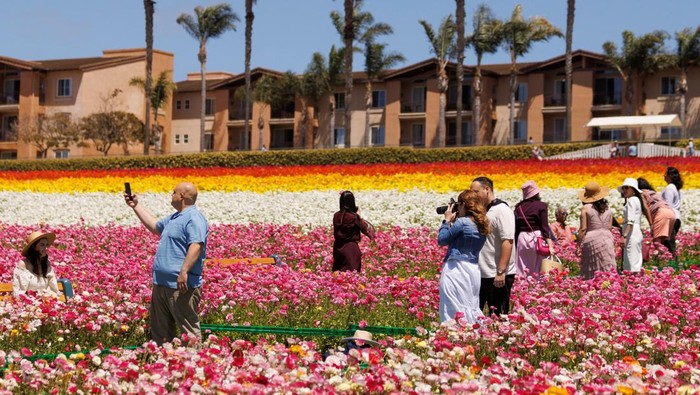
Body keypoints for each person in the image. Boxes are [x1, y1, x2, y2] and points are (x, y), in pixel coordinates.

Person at [126, 182, 208, 345]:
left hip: (180, 285)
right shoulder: (175, 217)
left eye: (173, 192)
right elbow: (155, 226)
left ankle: (194, 365)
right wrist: (135, 206)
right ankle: (164, 366)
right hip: (162, 284)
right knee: (161, 331)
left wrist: (184, 271)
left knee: (188, 330)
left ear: (182, 196)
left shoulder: (194, 218)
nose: (172, 195)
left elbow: (197, 244)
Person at [437, 190, 490, 323]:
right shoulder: (482, 223)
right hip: (473, 269)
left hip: (456, 268)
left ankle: (453, 332)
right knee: (470, 303)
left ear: (464, 205)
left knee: (452, 303)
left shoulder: (462, 223)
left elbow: (442, 240)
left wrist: (446, 221)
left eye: (459, 204)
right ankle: (472, 331)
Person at [470, 177, 515, 317]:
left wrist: (501, 272)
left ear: (487, 189)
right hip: (482, 272)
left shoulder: (501, 210)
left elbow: (507, 241)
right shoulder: (484, 211)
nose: (473, 196)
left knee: (498, 315)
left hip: (496, 275)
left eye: (476, 192)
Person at [514, 181, 555, 277]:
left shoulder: (518, 207)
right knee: (538, 267)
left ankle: (522, 287)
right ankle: (536, 288)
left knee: (522, 266)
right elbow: (545, 227)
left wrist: (516, 245)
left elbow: (516, 229)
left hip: (522, 238)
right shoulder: (541, 206)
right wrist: (550, 246)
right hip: (536, 238)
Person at [577, 181, 617, 279]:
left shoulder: (586, 208)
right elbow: (610, 227)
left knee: (592, 267)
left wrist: (578, 245)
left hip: (592, 239)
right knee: (607, 265)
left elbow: (583, 229)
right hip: (607, 238)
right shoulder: (607, 208)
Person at [332, 191, 375, 272]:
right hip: (350, 248)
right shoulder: (354, 217)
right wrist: (358, 216)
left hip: (338, 247)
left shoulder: (336, 215)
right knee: (351, 275)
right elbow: (365, 228)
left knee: (338, 273)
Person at [13, 231, 61, 297]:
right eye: (42, 245)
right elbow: (20, 292)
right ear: (33, 247)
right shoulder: (23, 264)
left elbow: (53, 288)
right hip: (28, 303)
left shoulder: (46, 264)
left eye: (46, 245)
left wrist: (48, 296)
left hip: (46, 302)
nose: (46, 248)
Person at [637, 177, 676, 258]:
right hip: (671, 213)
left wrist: (651, 224)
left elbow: (646, 208)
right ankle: (669, 260)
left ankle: (659, 262)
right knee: (664, 241)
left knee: (657, 242)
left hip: (661, 212)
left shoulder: (641, 193)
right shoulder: (653, 192)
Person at [618, 178, 644, 273]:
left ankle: (632, 284)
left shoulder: (632, 200)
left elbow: (630, 220)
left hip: (631, 233)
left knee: (631, 262)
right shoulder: (636, 199)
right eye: (623, 188)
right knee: (635, 260)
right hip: (635, 231)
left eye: (627, 188)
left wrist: (624, 236)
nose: (624, 190)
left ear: (633, 189)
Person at [662, 167, 683, 261]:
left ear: (670, 176)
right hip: (677, 217)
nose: (664, 176)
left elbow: (668, 205)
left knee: (669, 244)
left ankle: (673, 265)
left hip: (671, 218)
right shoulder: (676, 187)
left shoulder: (670, 187)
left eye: (665, 174)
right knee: (670, 243)